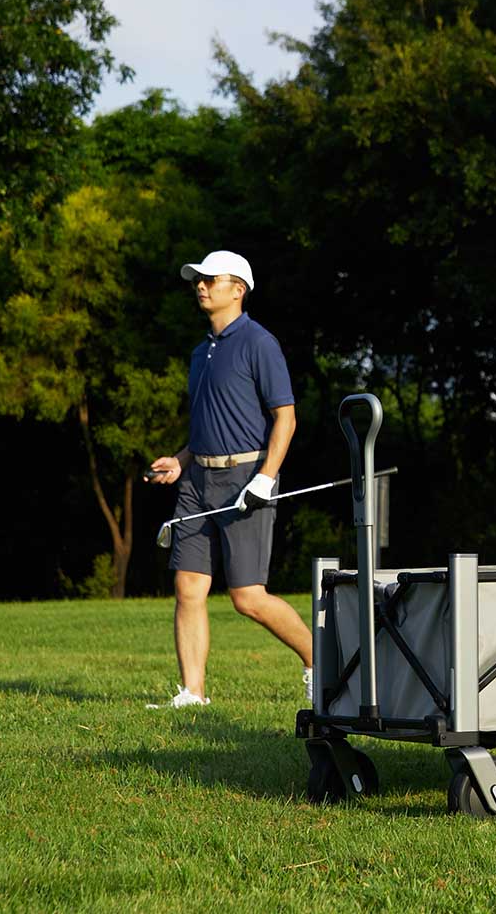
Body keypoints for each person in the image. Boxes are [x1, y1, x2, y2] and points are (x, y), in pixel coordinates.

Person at [146, 250, 313, 708]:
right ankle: (193, 692)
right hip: (196, 480)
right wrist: (180, 461)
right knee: (188, 586)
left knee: (247, 597)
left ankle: (320, 662)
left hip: (247, 477)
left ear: (238, 288)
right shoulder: (202, 351)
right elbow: (207, 422)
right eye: (197, 280)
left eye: (210, 279)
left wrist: (265, 478)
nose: (200, 286)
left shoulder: (259, 343)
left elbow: (286, 418)